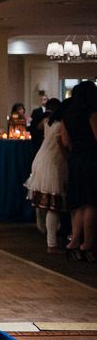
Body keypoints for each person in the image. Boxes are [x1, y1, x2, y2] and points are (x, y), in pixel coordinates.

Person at [24, 98, 68, 254]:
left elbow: (39, 127)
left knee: (48, 204)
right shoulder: (61, 123)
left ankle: (50, 237)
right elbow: (63, 145)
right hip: (52, 163)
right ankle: (52, 243)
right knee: (53, 205)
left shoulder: (48, 120)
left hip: (40, 160)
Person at [60, 80, 97, 263]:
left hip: (76, 159)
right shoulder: (91, 113)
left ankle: (74, 241)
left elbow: (66, 143)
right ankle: (87, 245)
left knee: (80, 204)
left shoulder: (68, 115)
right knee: (91, 203)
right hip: (91, 158)